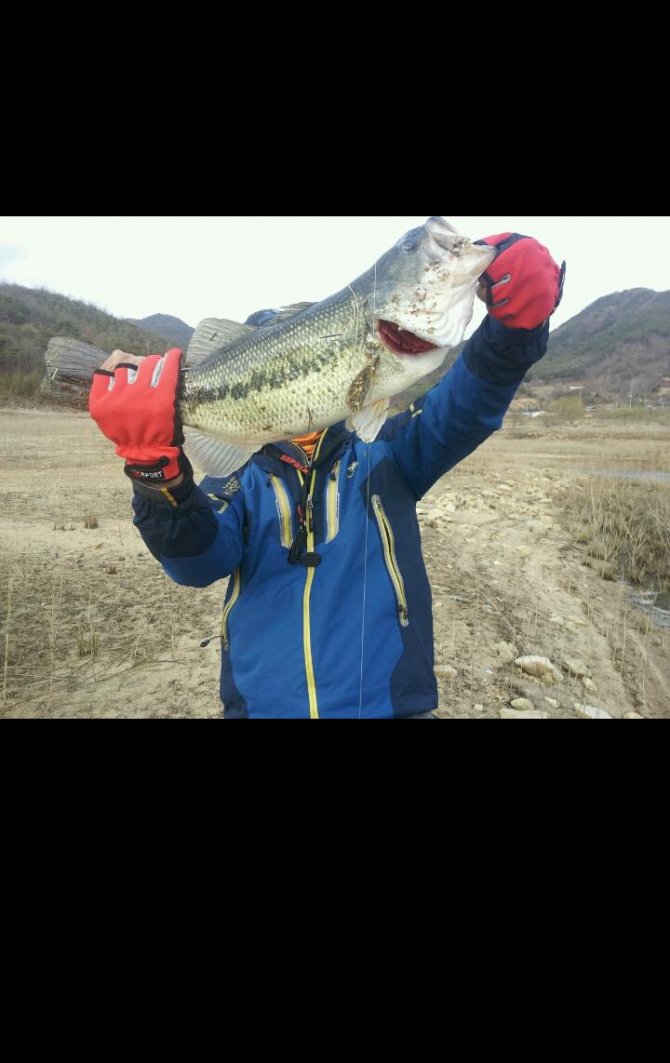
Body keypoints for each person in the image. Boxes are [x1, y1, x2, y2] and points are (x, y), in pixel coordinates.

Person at [89, 232, 565, 719]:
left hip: (391, 708)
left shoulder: (391, 454)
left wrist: (514, 333)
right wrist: (155, 475)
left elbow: (469, 404)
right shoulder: (236, 478)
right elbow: (196, 565)